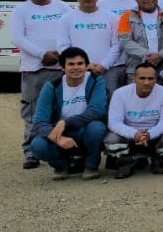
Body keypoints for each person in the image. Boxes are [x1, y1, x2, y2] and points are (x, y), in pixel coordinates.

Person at [11, 0, 70, 168]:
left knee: (62, 111)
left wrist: (62, 55)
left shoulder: (63, 7)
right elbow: (18, 38)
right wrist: (41, 54)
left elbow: (71, 30)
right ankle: (31, 152)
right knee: (34, 113)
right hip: (33, 69)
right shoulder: (21, 10)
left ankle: (61, 148)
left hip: (61, 69)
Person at [28, 46, 108, 179]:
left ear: (87, 65)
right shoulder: (52, 86)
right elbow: (40, 121)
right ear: (62, 68)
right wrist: (58, 138)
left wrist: (65, 122)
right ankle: (61, 166)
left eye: (80, 63)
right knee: (38, 144)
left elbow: (97, 111)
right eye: (71, 64)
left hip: (84, 130)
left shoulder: (95, 80)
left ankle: (91, 165)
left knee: (96, 128)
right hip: (61, 132)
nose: (76, 68)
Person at [105, 61, 163, 178]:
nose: (147, 82)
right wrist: (135, 134)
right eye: (142, 78)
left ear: (156, 79)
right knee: (111, 139)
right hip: (130, 135)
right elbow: (114, 122)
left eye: (151, 78)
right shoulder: (120, 94)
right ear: (133, 78)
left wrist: (149, 134)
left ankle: (158, 160)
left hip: (155, 135)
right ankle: (125, 163)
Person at [116, 0, 163, 85]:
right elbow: (125, 41)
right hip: (136, 70)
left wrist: (161, 55)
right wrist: (146, 55)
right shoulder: (127, 17)